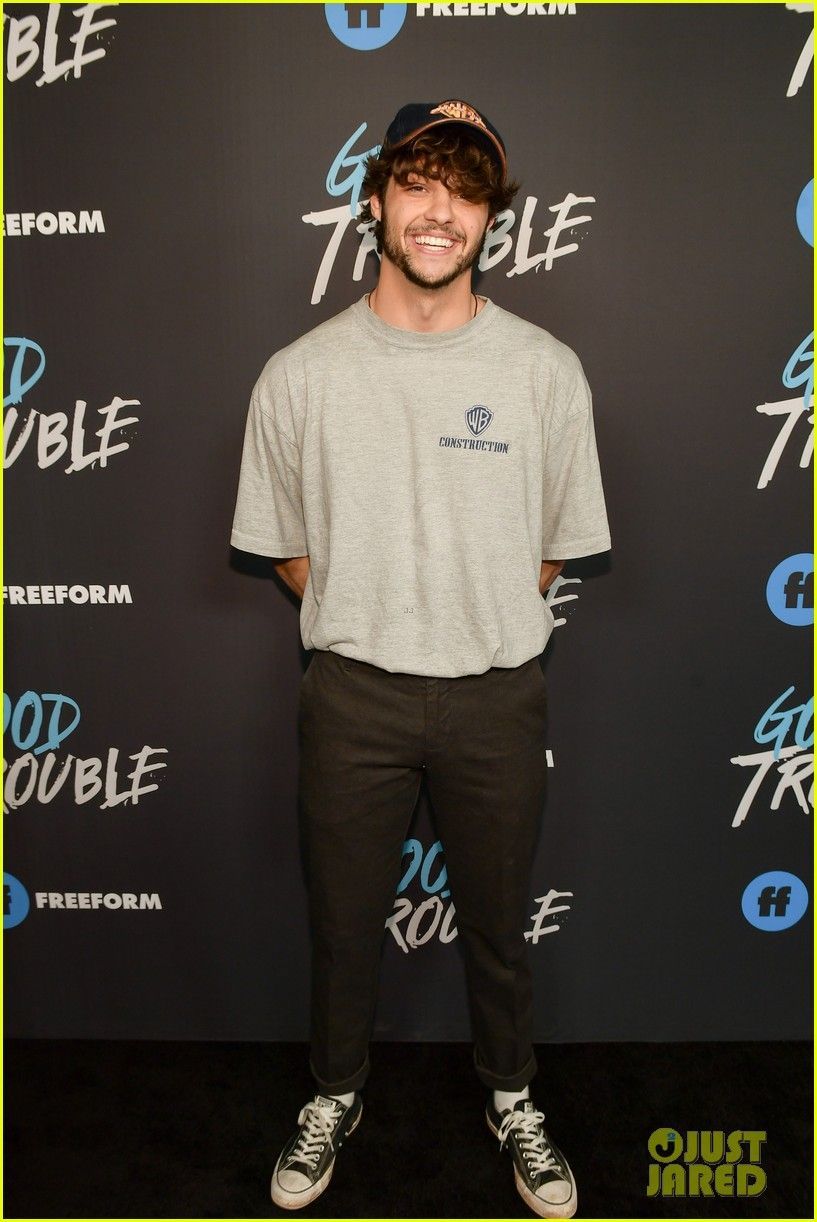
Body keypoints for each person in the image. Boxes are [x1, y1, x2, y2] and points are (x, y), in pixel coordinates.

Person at [230, 99, 611, 1219]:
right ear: (378, 200)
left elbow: (550, 551)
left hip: (498, 696)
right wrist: (380, 614)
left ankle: (511, 1096)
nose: (439, 211)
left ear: (491, 216)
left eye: (467, 188)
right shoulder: (298, 374)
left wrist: (468, 617)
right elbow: (288, 551)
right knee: (344, 926)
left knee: (499, 926)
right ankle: (334, 1094)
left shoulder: (546, 370)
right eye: (418, 182)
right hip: (351, 696)